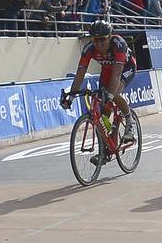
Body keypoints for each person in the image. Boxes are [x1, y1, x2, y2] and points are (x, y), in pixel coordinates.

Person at [60, 20, 139, 163]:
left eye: (102, 40)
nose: (99, 44)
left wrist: (109, 96)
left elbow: (117, 74)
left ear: (109, 37)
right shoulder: (89, 48)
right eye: (95, 40)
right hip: (107, 71)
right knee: (103, 115)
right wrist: (71, 97)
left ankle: (129, 121)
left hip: (125, 68)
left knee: (113, 95)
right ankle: (105, 150)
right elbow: (80, 73)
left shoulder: (119, 44)